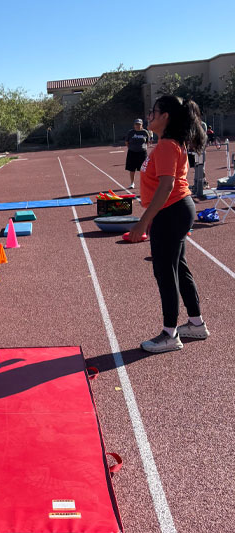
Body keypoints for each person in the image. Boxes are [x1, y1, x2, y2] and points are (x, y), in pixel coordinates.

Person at [129, 96, 208, 353]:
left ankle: (169, 334)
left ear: (165, 117)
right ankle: (195, 323)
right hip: (176, 210)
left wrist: (143, 222)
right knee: (178, 267)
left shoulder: (166, 146)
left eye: (153, 112)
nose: (149, 116)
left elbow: (166, 186)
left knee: (166, 272)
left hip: (170, 211)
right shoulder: (171, 144)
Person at [125, 118, 151, 189]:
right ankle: (132, 183)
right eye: (136, 124)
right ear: (134, 125)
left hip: (142, 153)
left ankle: (144, 183)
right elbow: (127, 142)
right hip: (132, 152)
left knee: (144, 169)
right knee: (132, 169)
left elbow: (147, 142)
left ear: (142, 125)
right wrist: (131, 148)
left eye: (139, 124)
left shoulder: (145, 132)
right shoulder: (131, 132)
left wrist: (144, 148)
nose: (137, 126)